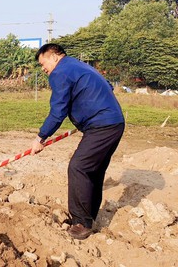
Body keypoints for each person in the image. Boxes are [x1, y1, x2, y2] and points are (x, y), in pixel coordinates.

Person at [31, 43, 125, 240]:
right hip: (115, 123)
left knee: (78, 167)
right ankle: (90, 217)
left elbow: (58, 111)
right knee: (94, 171)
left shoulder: (60, 72)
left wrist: (41, 137)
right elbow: (107, 86)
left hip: (101, 126)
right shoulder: (80, 66)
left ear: (54, 56)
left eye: (43, 63)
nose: (43, 69)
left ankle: (81, 222)